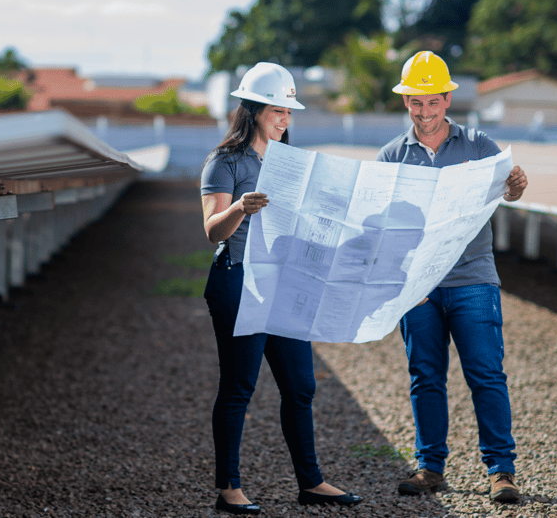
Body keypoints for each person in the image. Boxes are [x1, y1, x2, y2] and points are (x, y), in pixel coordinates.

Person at [200, 62, 361, 515]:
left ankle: (311, 483)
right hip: (238, 280)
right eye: (278, 110)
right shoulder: (224, 161)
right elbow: (213, 231)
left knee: (301, 385)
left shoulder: (294, 164)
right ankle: (228, 488)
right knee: (240, 386)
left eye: (290, 112)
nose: (286, 119)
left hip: (284, 284)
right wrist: (240, 211)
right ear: (251, 109)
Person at [376, 51, 529, 503]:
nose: (424, 113)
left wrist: (516, 187)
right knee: (425, 375)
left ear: (447, 100)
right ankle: (430, 467)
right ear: (406, 102)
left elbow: (510, 192)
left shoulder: (480, 146)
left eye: (433, 102)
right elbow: (384, 229)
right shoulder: (390, 156)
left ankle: (501, 471)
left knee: (486, 374)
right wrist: (404, 282)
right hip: (419, 286)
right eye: (415, 103)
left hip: (473, 281)